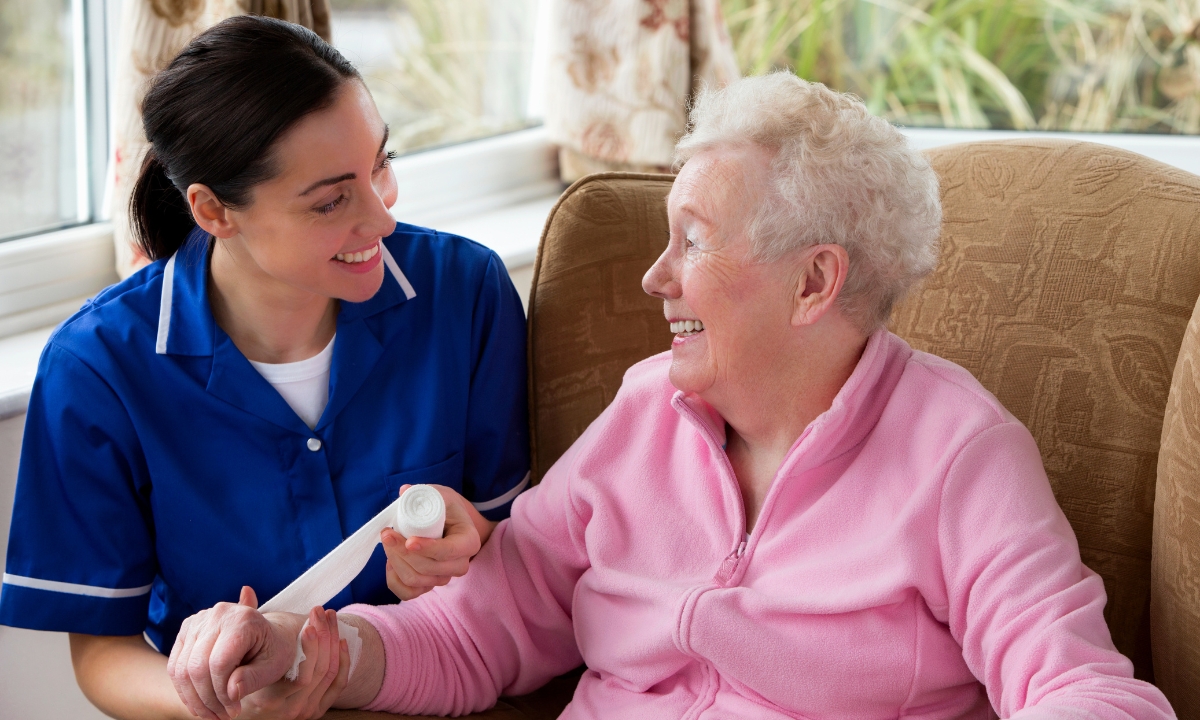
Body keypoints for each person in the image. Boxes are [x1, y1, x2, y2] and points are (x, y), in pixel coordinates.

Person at [170, 73, 1176, 719]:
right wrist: (318, 653)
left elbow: (1081, 687)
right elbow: (486, 625)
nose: (654, 278)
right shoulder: (646, 412)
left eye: (691, 239)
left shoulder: (956, 452)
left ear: (814, 283)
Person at [0, 16, 530, 720]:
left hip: (433, 689)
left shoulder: (465, 293)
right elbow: (102, 656)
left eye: (379, 166)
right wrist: (222, 703)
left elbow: (533, 554)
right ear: (214, 210)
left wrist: (476, 542)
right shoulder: (96, 370)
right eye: (332, 199)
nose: (381, 220)